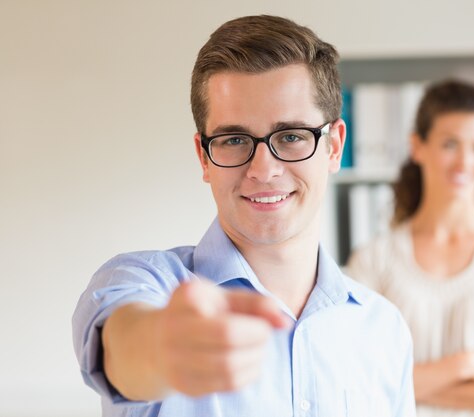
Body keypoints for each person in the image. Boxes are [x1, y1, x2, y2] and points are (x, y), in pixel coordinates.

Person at [72, 15, 416, 417]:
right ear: (204, 157)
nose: (263, 169)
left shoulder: (384, 330)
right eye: (234, 140)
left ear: (334, 147)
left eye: (290, 136)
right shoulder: (147, 283)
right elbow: (127, 348)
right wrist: (162, 349)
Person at [346, 79, 474, 417]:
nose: (464, 162)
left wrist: (408, 383)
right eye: (449, 144)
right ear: (418, 147)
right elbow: (361, 379)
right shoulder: (374, 259)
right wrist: (466, 365)